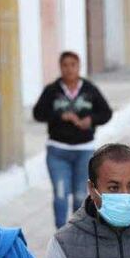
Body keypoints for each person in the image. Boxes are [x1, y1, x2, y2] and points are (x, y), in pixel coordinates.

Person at [33, 51, 113, 229]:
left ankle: (77, 233)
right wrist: (60, 115)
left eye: (73, 65)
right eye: (65, 65)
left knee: (79, 196)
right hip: (57, 151)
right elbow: (38, 113)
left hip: (84, 152)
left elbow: (106, 113)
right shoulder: (52, 90)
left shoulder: (89, 89)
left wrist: (90, 120)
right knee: (61, 195)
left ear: (79, 67)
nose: (69, 69)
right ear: (60, 67)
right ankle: (60, 234)